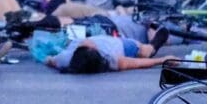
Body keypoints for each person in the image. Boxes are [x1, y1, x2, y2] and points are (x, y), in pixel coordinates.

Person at [44, 33, 173, 73]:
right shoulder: (111, 59)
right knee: (147, 52)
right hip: (122, 45)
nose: (86, 41)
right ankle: (161, 31)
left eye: (83, 46)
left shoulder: (66, 59)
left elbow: (49, 60)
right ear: (97, 52)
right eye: (90, 46)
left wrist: (49, 60)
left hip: (105, 37)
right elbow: (138, 63)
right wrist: (163, 60)